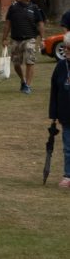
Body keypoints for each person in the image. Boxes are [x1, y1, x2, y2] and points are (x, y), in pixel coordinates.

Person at [5, 0, 41, 94]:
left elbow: (40, 23)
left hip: (30, 38)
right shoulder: (13, 8)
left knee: (30, 61)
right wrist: (4, 38)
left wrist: (42, 38)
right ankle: (23, 80)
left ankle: (28, 86)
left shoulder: (34, 8)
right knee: (16, 63)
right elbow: (8, 24)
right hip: (15, 39)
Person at [49, 42, 70, 190]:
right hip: (66, 114)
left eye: (69, 48)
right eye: (66, 47)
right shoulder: (61, 66)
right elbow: (54, 91)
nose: (66, 50)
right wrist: (53, 114)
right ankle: (68, 175)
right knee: (68, 147)